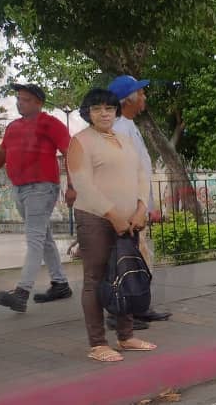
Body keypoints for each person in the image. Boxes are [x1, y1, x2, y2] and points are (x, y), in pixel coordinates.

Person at [67, 88, 157, 362]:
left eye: (108, 108)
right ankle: (97, 344)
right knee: (95, 279)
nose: (104, 113)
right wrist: (113, 215)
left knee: (124, 274)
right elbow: (83, 184)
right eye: (97, 109)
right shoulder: (81, 141)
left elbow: (142, 174)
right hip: (95, 218)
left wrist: (141, 208)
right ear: (88, 113)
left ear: (115, 110)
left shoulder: (123, 139)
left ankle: (126, 336)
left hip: (130, 220)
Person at [0, 84, 74, 312]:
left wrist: (72, 187)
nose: (19, 102)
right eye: (18, 98)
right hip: (19, 189)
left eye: (25, 99)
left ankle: (22, 292)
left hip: (41, 187)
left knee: (34, 239)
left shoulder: (51, 123)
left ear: (38, 102)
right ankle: (60, 284)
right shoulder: (13, 127)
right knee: (44, 237)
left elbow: (71, 153)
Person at [107, 75, 170, 326]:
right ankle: (119, 313)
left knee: (141, 258)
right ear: (128, 100)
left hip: (136, 206)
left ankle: (138, 307)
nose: (144, 97)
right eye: (140, 93)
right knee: (126, 261)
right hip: (127, 207)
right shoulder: (119, 129)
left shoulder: (128, 126)